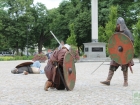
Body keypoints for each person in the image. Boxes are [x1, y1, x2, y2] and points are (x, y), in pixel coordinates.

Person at [100, 17, 134, 87]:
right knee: (112, 64)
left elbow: (131, 43)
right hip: (117, 52)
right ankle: (108, 80)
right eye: (117, 24)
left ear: (121, 24)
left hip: (124, 53)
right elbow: (115, 43)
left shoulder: (127, 32)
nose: (117, 26)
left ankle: (125, 81)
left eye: (118, 24)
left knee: (124, 66)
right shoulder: (117, 33)